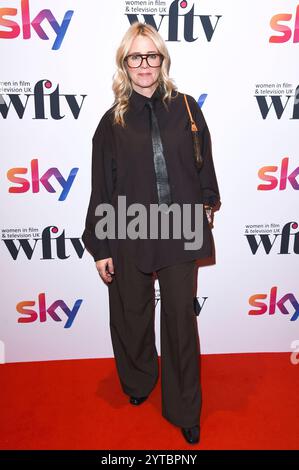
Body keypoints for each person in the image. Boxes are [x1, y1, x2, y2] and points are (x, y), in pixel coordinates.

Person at [82, 22, 221, 445]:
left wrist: (207, 201)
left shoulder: (188, 108)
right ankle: (139, 381)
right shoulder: (112, 121)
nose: (144, 65)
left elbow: (204, 161)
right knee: (132, 314)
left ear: (163, 59)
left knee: (180, 320)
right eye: (135, 57)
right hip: (127, 228)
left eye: (152, 55)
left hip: (178, 229)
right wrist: (100, 245)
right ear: (125, 64)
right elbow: (101, 186)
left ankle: (184, 408)